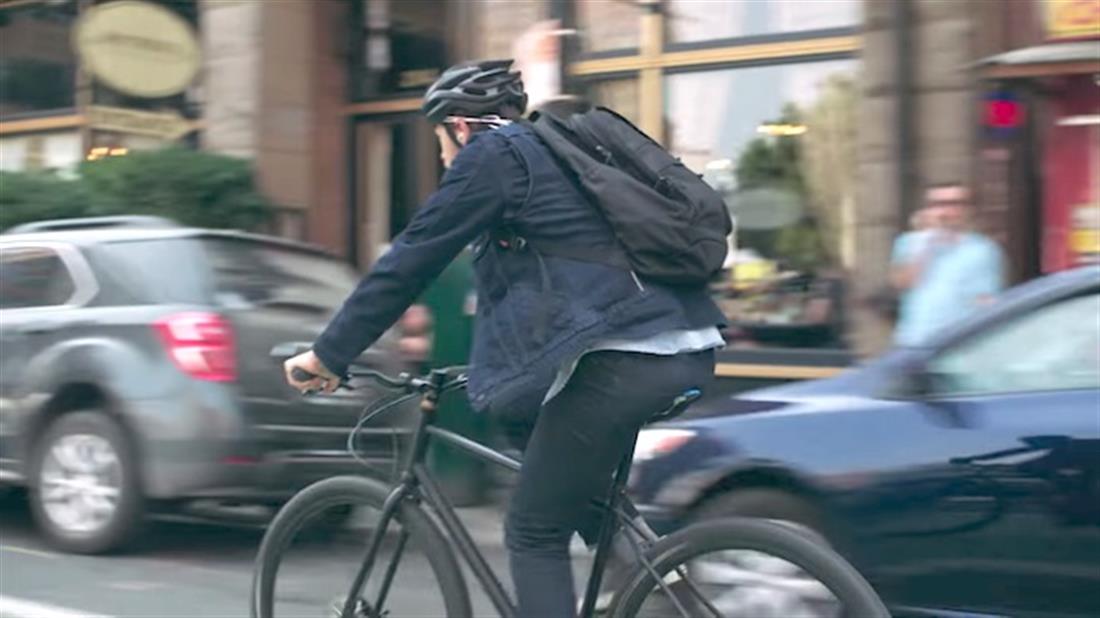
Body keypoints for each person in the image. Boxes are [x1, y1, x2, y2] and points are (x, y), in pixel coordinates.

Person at [282, 60, 726, 618]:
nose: (443, 156)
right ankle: (653, 583)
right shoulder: (561, 157)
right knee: (545, 448)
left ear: (459, 127)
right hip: (686, 347)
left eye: (439, 141)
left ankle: (642, 585)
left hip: (622, 357)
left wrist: (329, 354)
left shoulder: (495, 156)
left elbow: (410, 260)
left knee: (534, 531)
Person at [890, 184, 1005, 346]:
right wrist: (924, 244)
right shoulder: (909, 243)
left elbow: (986, 301)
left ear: (968, 210)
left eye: (954, 203)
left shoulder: (983, 249)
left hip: (959, 343)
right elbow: (901, 284)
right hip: (915, 340)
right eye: (937, 204)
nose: (946, 211)